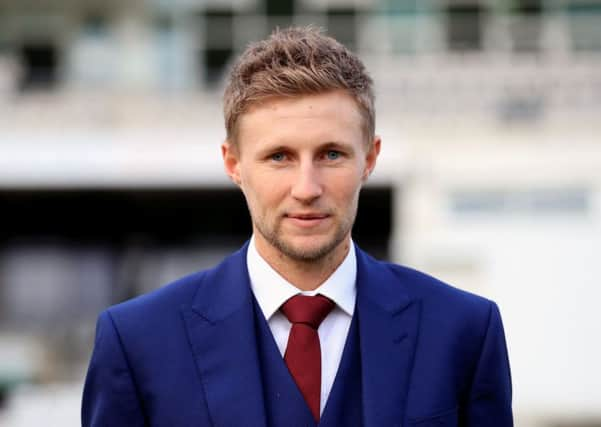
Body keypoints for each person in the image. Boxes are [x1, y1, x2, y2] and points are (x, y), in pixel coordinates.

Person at [82, 27, 513, 426]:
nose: (307, 188)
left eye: (331, 155)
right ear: (233, 163)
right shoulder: (138, 343)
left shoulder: (464, 331)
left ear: (370, 157)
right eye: (279, 157)